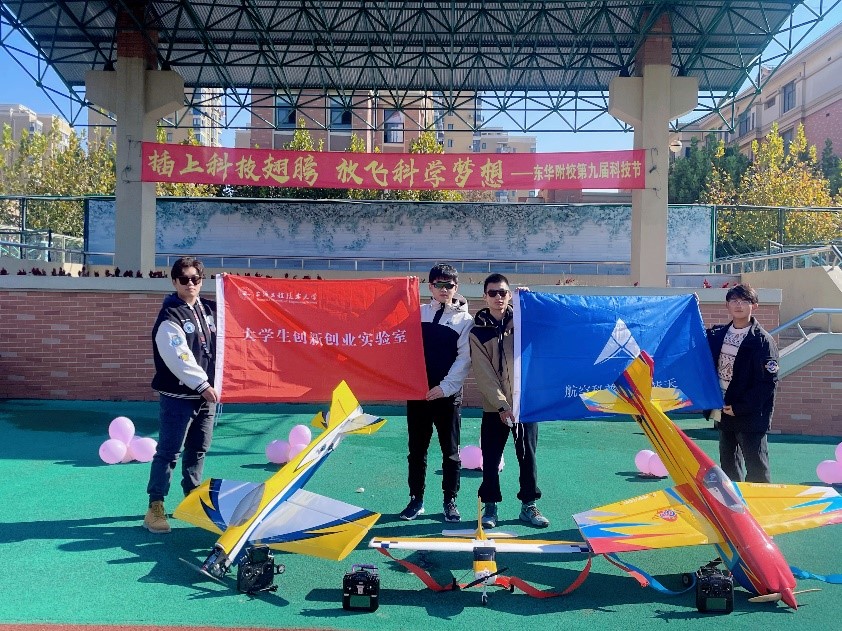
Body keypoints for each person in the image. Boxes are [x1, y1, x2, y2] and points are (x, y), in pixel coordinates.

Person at [143, 257, 219, 533]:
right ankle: (155, 506)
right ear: (174, 282)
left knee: (199, 449)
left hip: (206, 397)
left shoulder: (211, 310)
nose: (190, 284)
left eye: (195, 279)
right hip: (179, 397)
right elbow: (179, 356)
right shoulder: (170, 316)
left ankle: (192, 500)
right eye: (184, 279)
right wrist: (202, 385)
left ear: (201, 280)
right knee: (168, 452)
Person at [470, 274, 548, 528]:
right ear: (485, 296)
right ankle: (490, 506)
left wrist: (530, 301)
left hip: (525, 406)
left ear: (509, 294)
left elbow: (548, 328)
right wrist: (502, 405)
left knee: (528, 458)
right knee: (491, 459)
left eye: (503, 292)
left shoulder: (524, 322)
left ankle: (529, 505)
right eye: (492, 293)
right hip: (496, 408)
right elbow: (484, 373)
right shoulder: (477, 332)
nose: (498, 297)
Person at [400, 264, 473, 522]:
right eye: (439, 284)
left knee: (450, 452)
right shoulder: (416, 314)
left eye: (449, 285)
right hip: (418, 395)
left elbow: (464, 359)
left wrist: (444, 388)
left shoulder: (465, 321)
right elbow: (401, 346)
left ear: (456, 288)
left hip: (447, 396)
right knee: (416, 451)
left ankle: (449, 501)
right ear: (430, 286)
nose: (444, 289)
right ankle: (415, 500)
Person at [706, 283, 778, 483]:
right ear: (727, 305)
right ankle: (734, 501)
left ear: (754, 306)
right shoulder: (717, 335)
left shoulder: (763, 341)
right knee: (728, 465)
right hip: (723, 410)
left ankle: (759, 502)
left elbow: (768, 383)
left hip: (750, 415)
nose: (739, 305)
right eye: (734, 300)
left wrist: (740, 407)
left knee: (756, 467)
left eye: (745, 301)